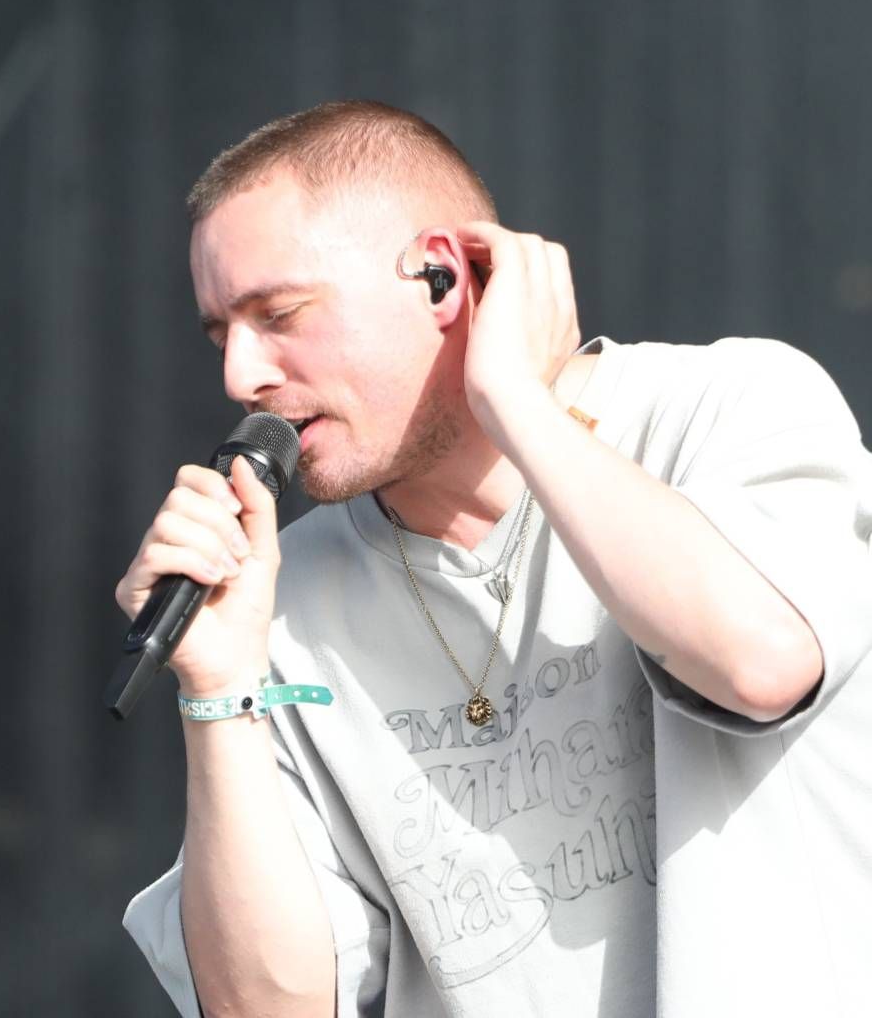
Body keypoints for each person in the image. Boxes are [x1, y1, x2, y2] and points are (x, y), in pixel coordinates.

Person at [116, 101, 872, 1018]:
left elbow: (759, 662)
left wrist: (512, 396)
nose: (241, 375)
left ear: (440, 278)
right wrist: (220, 688)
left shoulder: (723, 407)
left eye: (278, 314)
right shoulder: (274, 594)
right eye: (221, 335)